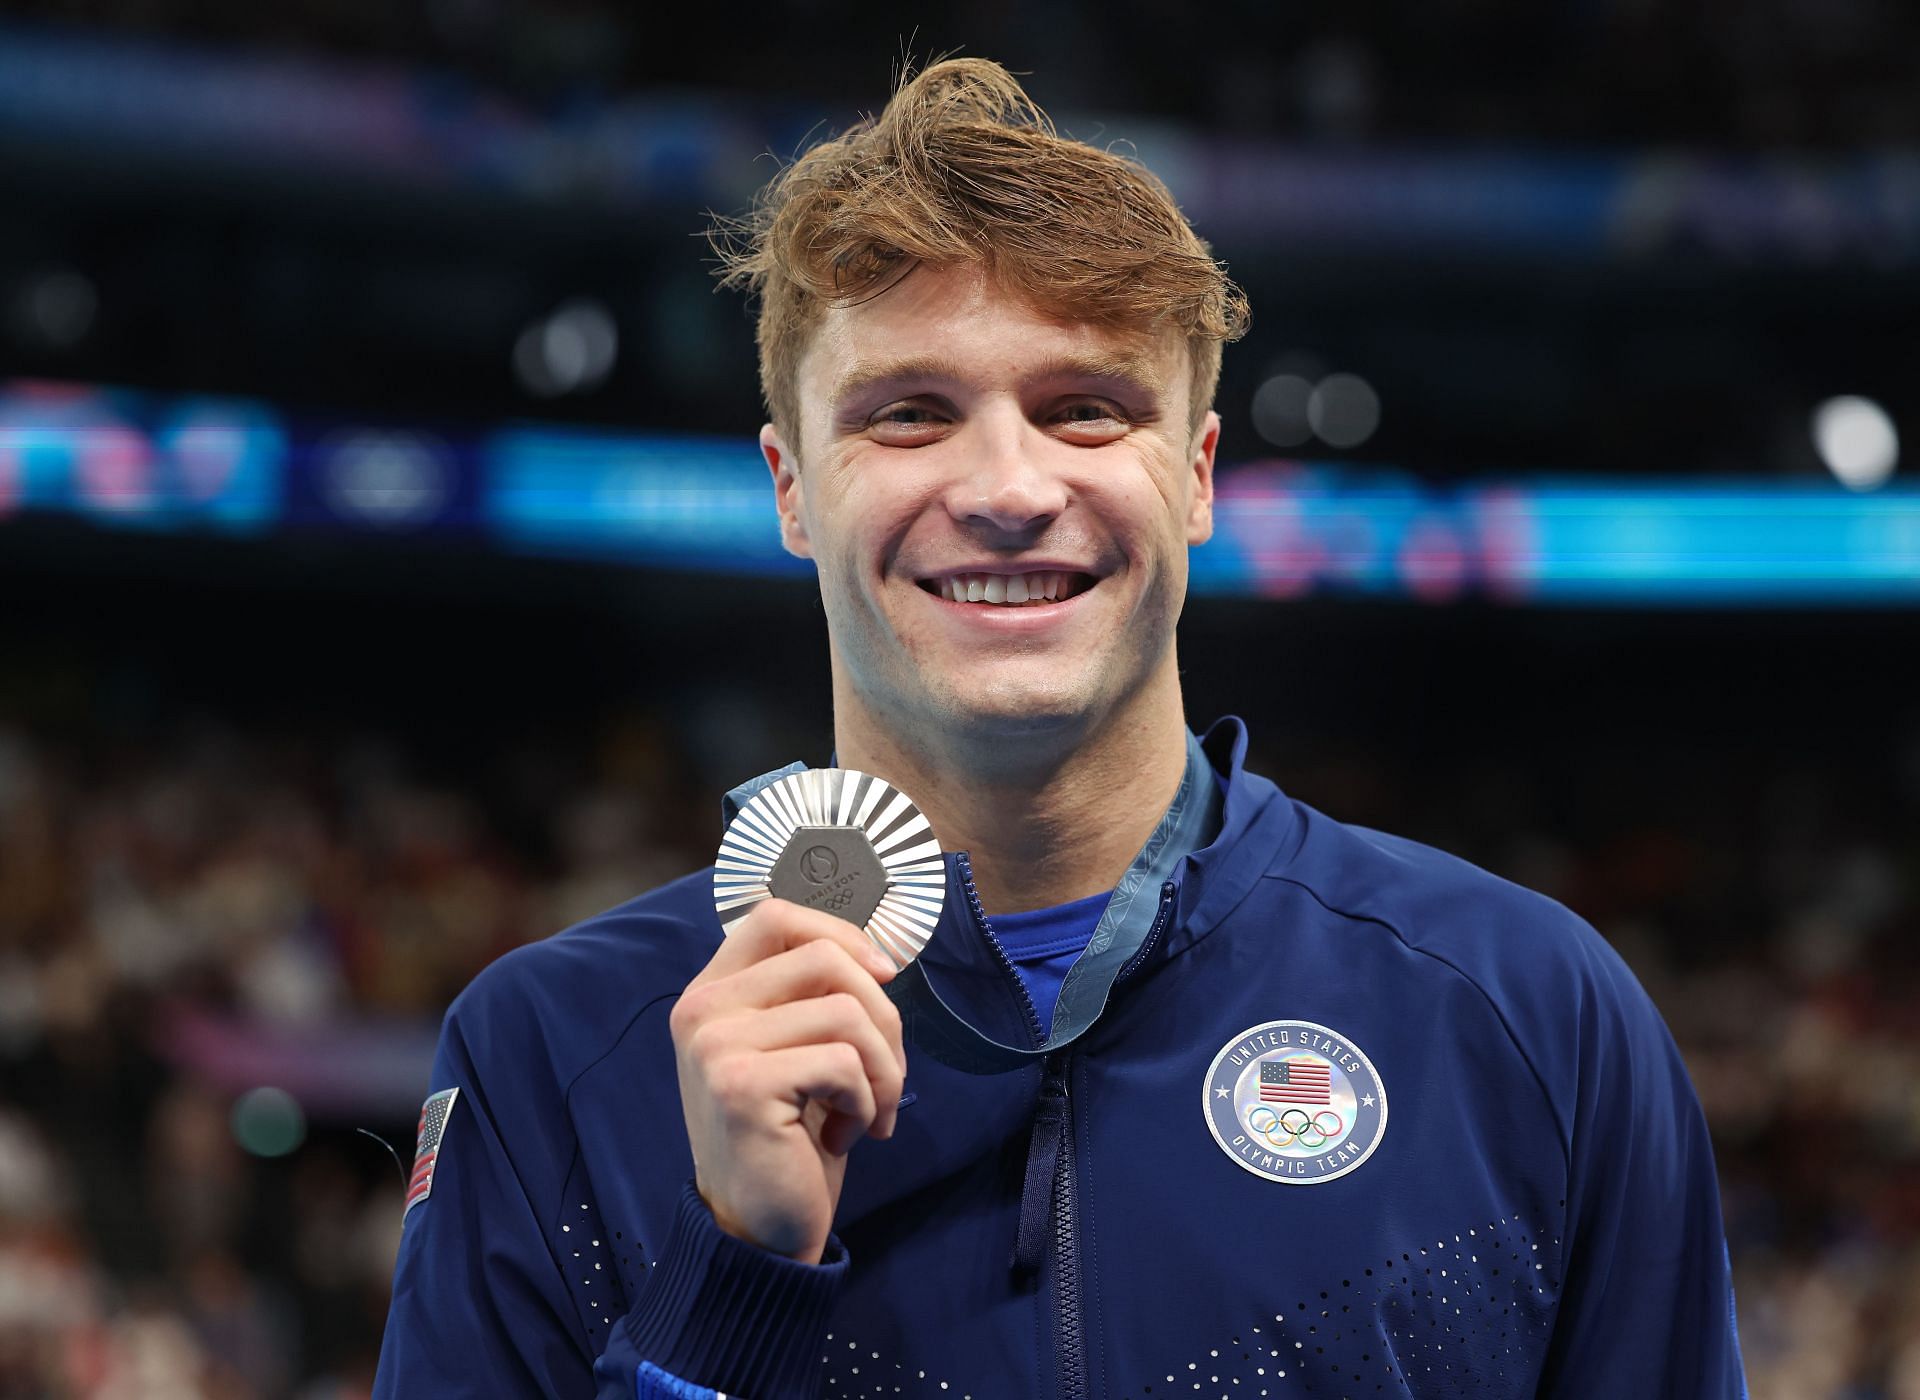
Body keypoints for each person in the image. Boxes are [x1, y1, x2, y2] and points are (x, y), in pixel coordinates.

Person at [373, 58, 1748, 1400]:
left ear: (1196, 477)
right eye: (910, 415)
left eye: (1084, 409)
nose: (1009, 488)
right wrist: (733, 1282)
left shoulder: (1532, 1017)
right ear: (792, 489)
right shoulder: (554, 1057)